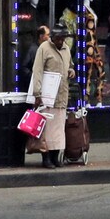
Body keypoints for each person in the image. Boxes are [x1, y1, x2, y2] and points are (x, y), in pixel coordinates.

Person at [29, 24, 75, 170]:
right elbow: (37, 71)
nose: (61, 41)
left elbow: (70, 65)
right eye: (58, 38)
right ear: (52, 38)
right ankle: (46, 157)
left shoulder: (66, 49)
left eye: (63, 38)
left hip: (61, 95)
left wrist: (71, 71)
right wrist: (37, 93)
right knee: (46, 130)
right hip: (47, 96)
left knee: (58, 129)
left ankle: (56, 156)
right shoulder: (43, 49)